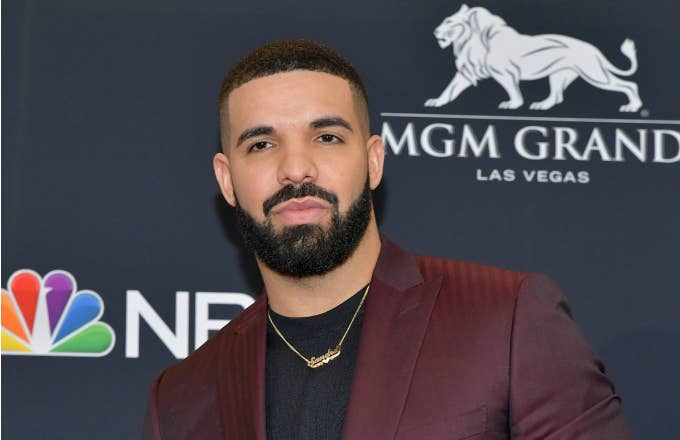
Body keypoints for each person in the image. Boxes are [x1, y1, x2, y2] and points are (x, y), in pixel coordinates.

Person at [142, 40, 632, 440]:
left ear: (373, 160)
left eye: (327, 137)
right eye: (262, 144)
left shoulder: (510, 320)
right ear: (227, 180)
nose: (295, 169)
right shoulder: (182, 395)